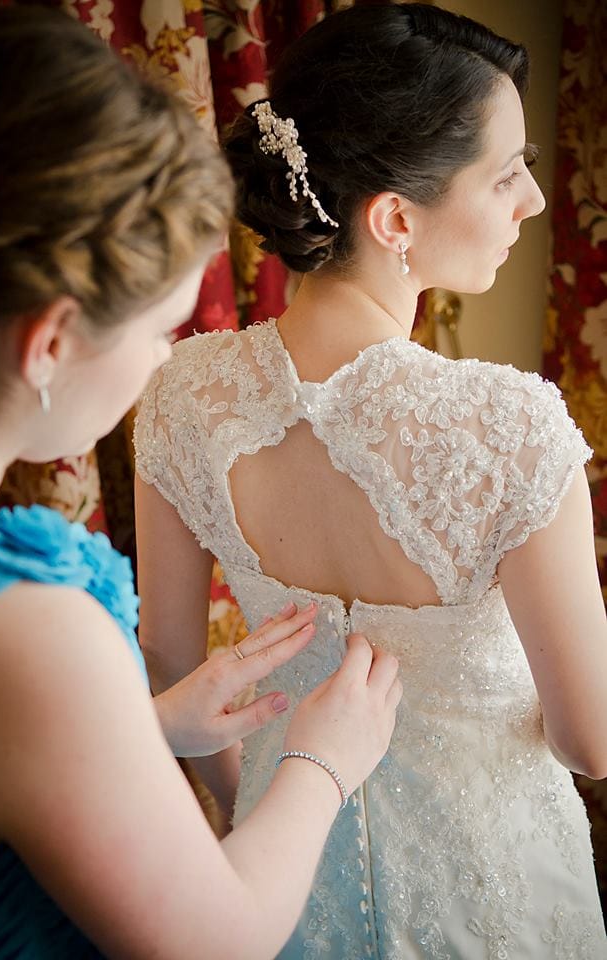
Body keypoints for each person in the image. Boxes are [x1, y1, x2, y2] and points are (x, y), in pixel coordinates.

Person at [134, 3, 607, 957]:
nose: (534, 201)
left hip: (285, 873)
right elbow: (590, 740)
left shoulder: (181, 396)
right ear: (394, 218)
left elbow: (173, 662)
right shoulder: (509, 429)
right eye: (508, 172)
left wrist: (266, 794)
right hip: (495, 899)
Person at [0, 7, 403, 959]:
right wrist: (322, 762)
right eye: (157, 329)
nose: (165, 359)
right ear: (50, 342)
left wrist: (141, 723)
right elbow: (220, 942)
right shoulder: (20, 629)